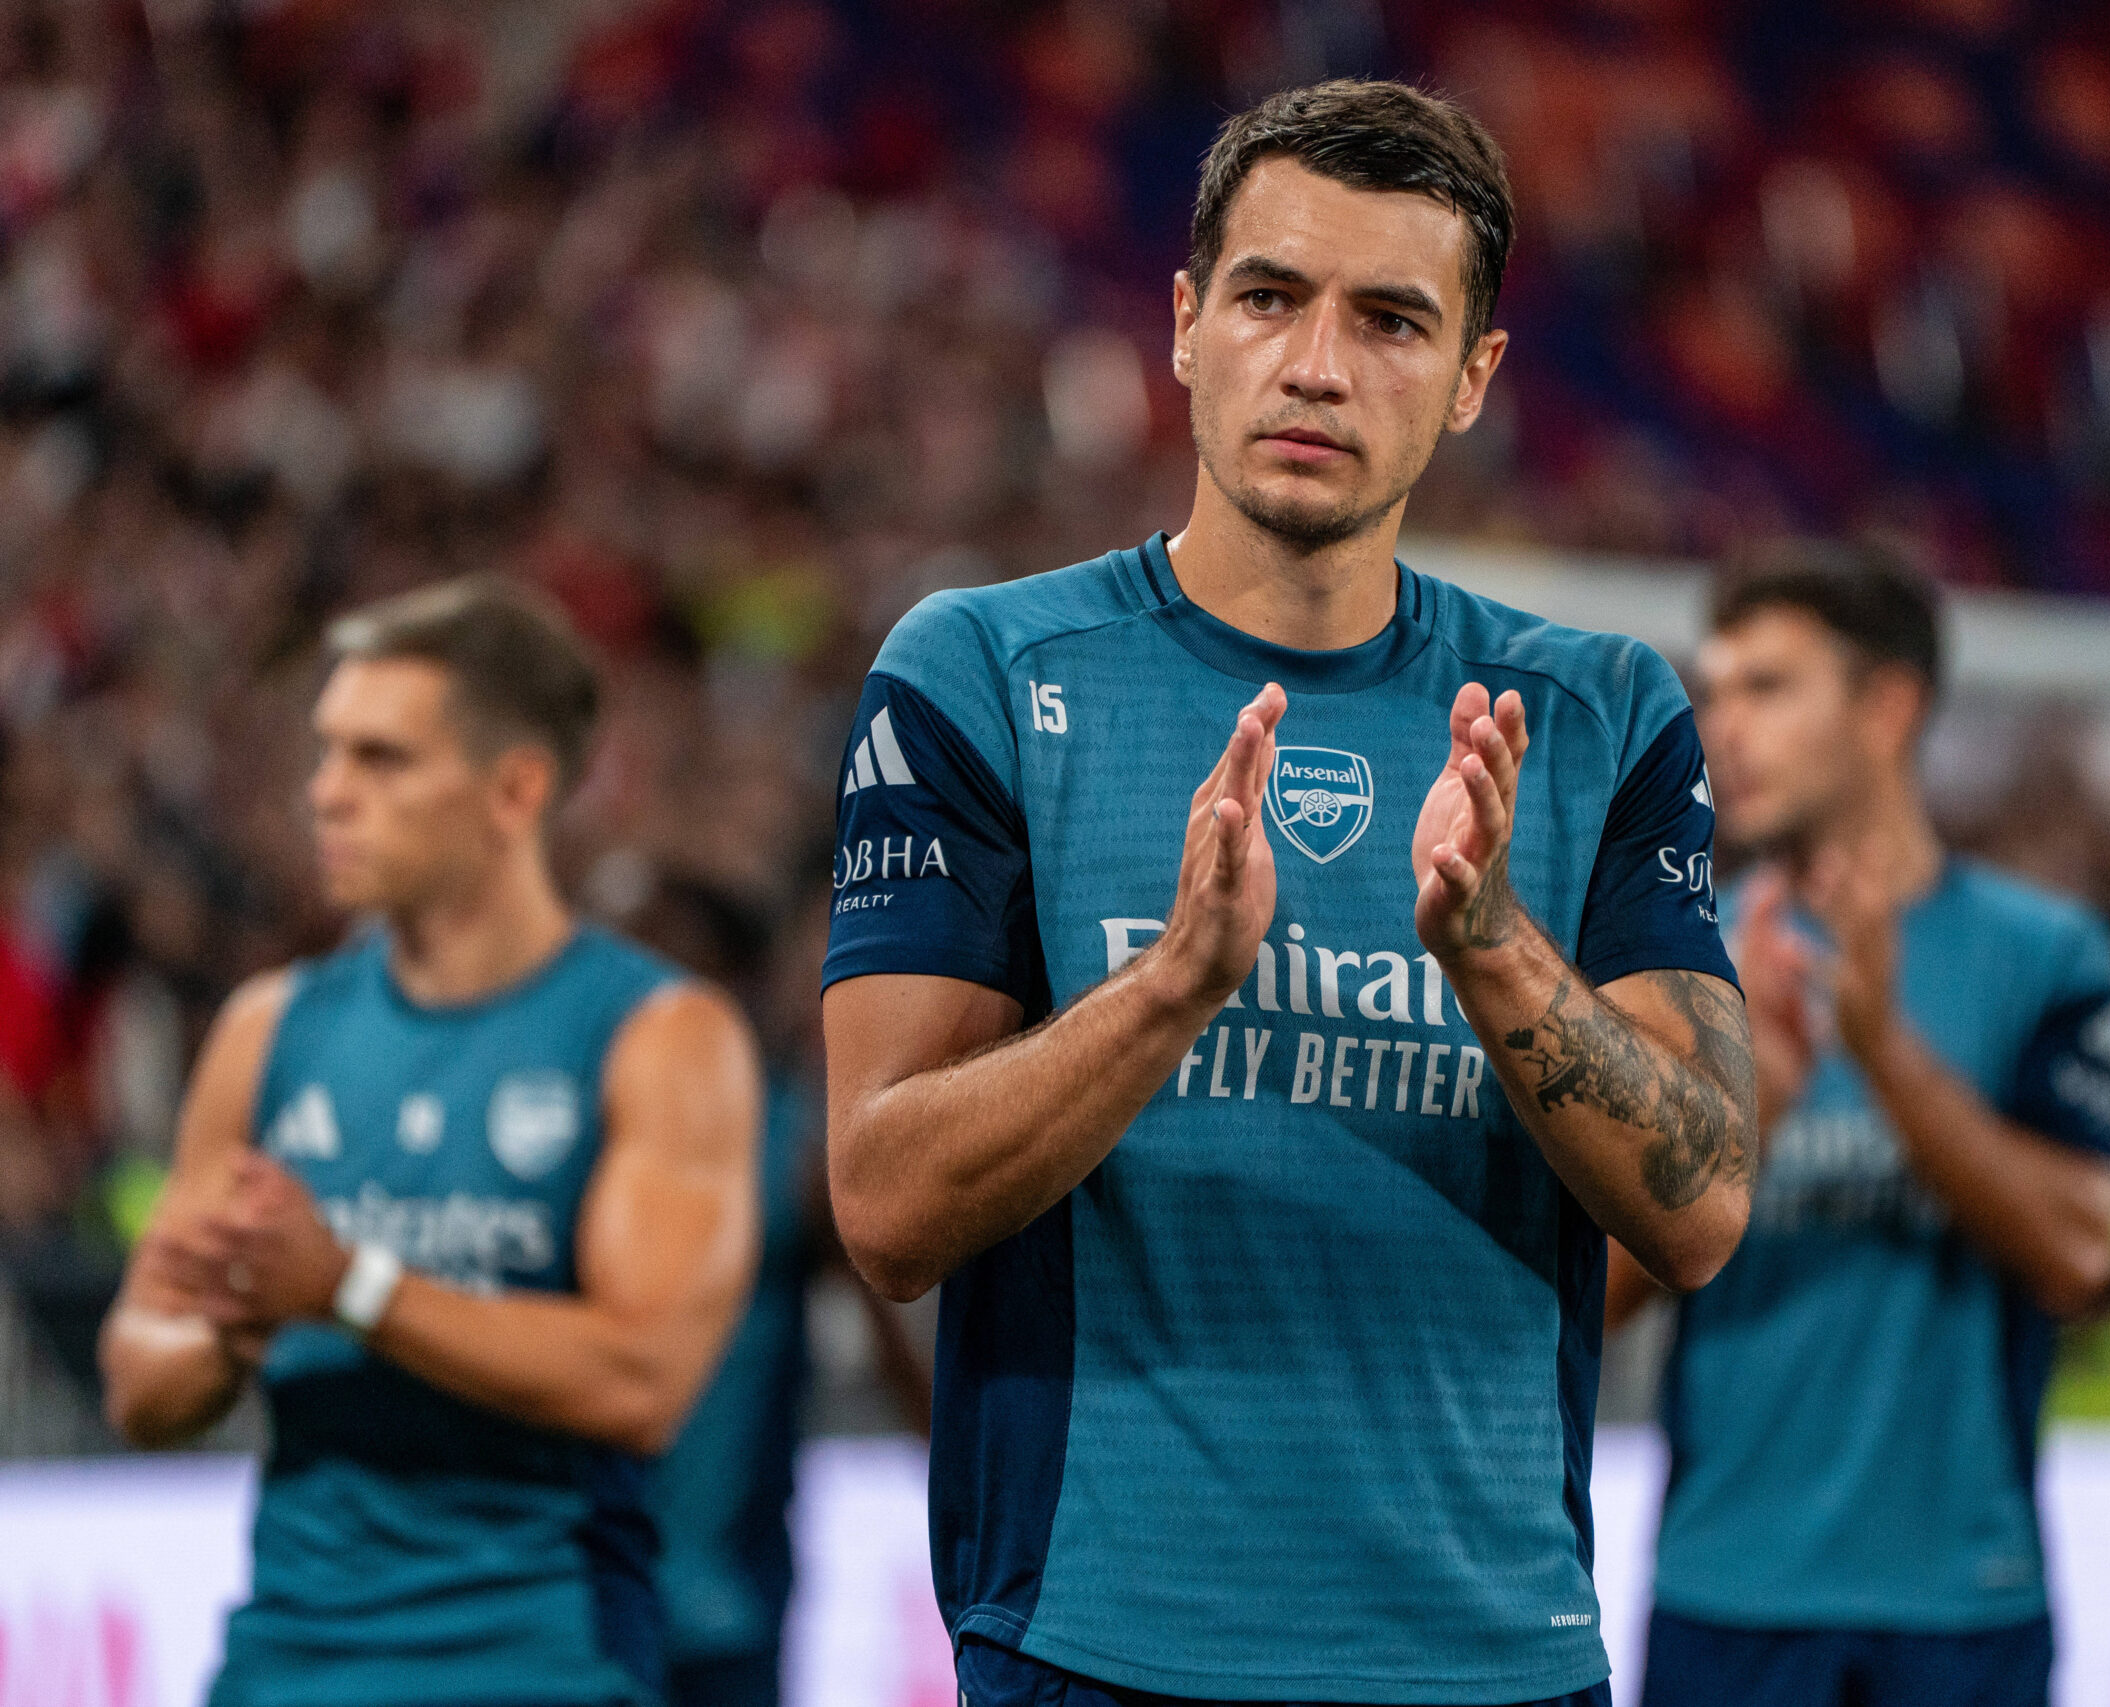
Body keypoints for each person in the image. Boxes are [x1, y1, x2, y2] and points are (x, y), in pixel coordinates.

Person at [822, 79, 1756, 1707]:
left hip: (1493, 1661)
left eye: (1394, 320)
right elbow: (887, 1210)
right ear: (1184, 324)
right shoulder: (979, 673)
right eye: (1269, 296)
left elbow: (1699, 1208)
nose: (1317, 364)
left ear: (1475, 380)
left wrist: (1494, 954)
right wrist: (1169, 986)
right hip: (1099, 1649)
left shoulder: (1596, 711)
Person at [97, 577, 761, 1707]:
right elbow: (138, 1382)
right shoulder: (267, 1033)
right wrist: (230, 1328)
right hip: (286, 1663)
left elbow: (642, 1378)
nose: (326, 795)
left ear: (516, 788)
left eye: (381, 759)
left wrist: (348, 1286)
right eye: (325, 754)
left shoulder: (658, 1038)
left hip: (540, 1663)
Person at [1615, 542, 2110, 1707]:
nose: (1722, 729)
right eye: (1714, 690)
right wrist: (1750, 1104)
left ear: (1888, 708)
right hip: (1725, 1593)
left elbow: (2084, 1257)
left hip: (1960, 1603)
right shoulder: (1672, 959)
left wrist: (1884, 1052)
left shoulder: (2045, 957)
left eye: (1768, 689)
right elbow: (1578, 1296)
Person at [626, 872, 932, 1707]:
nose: (633, 1000)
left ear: (736, 985)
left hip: (728, 1603)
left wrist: (958, 1479)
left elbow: (890, 1333)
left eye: (666, 971)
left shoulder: (796, 1138)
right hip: (572, 1598)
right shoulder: (560, 1131)